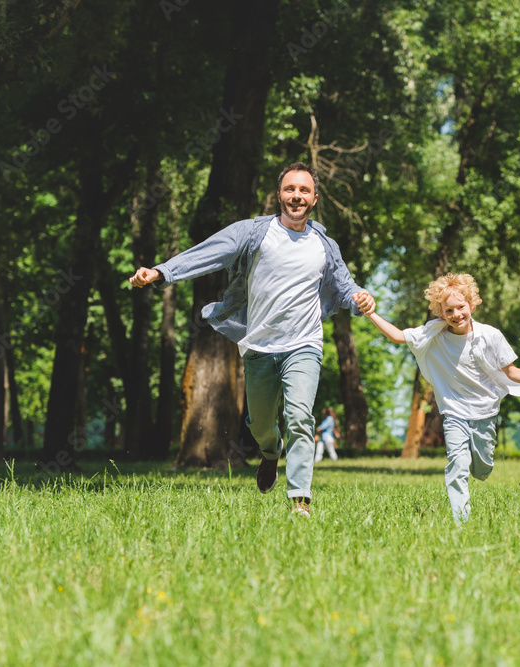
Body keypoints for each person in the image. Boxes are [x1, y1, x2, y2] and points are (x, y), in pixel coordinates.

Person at [129, 162, 375, 517]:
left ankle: (300, 501)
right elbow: (207, 252)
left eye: (304, 190)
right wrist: (161, 272)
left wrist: (359, 298)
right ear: (279, 195)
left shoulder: (324, 245)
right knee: (260, 425)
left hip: (304, 343)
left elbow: (345, 286)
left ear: (315, 198)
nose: (297, 196)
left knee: (300, 415)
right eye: (290, 189)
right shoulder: (253, 233)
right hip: (259, 345)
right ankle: (270, 453)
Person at [361, 273, 520, 523]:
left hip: (485, 412)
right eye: (449, 310)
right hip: (454, 411)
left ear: (472, 305)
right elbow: (397, 336)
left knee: (482, 469)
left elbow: (510, 371)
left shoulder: (490, 336)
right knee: (457, 463)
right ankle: (460, 520)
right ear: (441, 313)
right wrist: (370, 313)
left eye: (460, 307)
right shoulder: (434, 334)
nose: (456, 315)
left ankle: (481, 467)